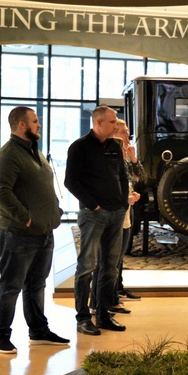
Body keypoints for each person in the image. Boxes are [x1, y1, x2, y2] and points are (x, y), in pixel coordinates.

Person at [0, 107, 70, 354]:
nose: (39, 125)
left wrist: (55, 211)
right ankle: (0, 335)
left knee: (37, 285)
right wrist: (26, 219)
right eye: (35, 121)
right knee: (11, 285)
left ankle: (38, 331)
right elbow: (2, 192)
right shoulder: (8, 155)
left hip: (43, 232)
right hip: (18, 233)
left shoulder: (34, 152)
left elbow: (44, 185)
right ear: (21, 125)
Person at [65, 106, 129, 335]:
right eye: (112, 122)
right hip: (93, 214)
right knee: (86, 267)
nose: (116, 126)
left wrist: (123, 202)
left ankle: (103, 315)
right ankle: (83, 318)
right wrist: (93, 204)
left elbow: (121, 174)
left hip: (116, 213)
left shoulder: (114, 146)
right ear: (99, 122)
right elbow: (70, 181)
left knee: (110, 268)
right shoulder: (79, 147)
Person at [90, 119, 143, 314]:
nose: (127, 136)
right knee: (106, 263)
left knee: (116, 262)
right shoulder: (106, 156)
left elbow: (139, 178)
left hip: (124, 216)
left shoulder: (123, 156)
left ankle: (112, 298)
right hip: (111, 215)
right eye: (123, 132)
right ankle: (100, 304)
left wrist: (134, 158)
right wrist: (124, 199)